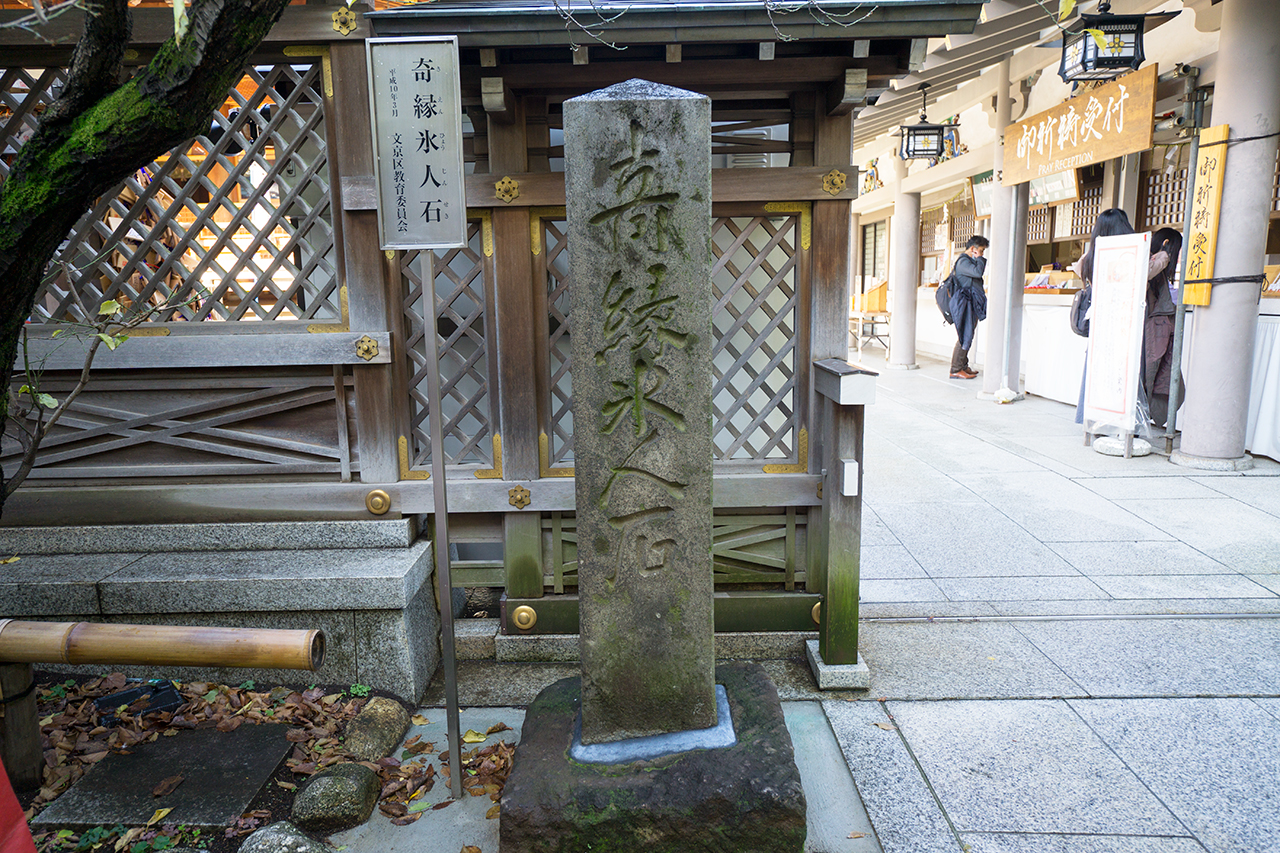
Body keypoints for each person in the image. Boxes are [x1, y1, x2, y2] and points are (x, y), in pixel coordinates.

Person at [1073, 208, 1135, 424]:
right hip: (1124, 321)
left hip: (1100, 321)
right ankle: (1119, 421)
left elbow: (1079, 268)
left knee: (1096, 368)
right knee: (1121, 372)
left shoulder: (1091, 257)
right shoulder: (1130, 254)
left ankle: (1090, 418)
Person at [1143, 228, 1184, 429]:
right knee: (1152, 375)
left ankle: (1142, 417)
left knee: (1154, 375)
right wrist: (1164, 255)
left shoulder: (1148, 260)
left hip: (1154, 330)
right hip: (1153, 330)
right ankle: (1141, 418)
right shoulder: (1155, 261)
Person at [947, 235, 989, 379]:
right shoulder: (964, 262)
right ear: (973, 249)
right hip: (965, 303)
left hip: (971, 303)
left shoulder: (968, 261)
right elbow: (978, 272)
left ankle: (963, 366)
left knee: (968, 334)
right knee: (965, 335)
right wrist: (980, 259)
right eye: (981, 251)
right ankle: (956, 369)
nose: (982, 254)